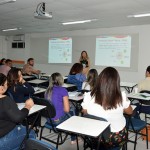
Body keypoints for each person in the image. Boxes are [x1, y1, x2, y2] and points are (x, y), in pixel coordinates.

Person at [81, 67, 133, 148]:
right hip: (115, 138)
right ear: (116, 82)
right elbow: (130, 112)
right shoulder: (121, 96)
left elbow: (85, 113)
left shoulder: (88, 96)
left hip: (94, 136)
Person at [0, 73, 35, 150]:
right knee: (31, 133)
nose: (7, 86)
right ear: (1, 87)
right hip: (3, 139)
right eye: (6, 84)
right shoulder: (5, 100)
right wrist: (28, 106)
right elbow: (18, 118)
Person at [44, 72, 76, 144]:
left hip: (48, 119)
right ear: (61, 80)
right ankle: (73, 139)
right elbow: (67, 110)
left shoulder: (47, 91)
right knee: (73, 110)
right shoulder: (63, 90)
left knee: (69, 108)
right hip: (57, 121)